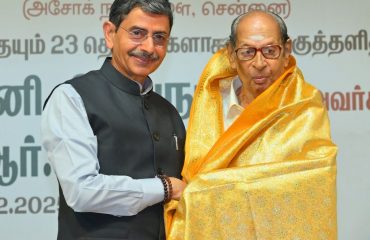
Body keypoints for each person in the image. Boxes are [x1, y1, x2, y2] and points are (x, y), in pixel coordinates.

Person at [165, 10, 337, 240]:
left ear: (287, 52)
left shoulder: (304, 106)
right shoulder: (213, 103)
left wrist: (198, 191)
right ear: (231, 55)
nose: (259, 63)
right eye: (247, 52)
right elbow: (194, 173)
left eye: (270, 51)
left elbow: (311, 183)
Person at [41, 0, 187, 239]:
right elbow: (82, 190)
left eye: (160, 37)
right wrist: (165, 188)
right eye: (138, 33)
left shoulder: (168, 111)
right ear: (110, 33)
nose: (149, 47)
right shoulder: (72, 97)